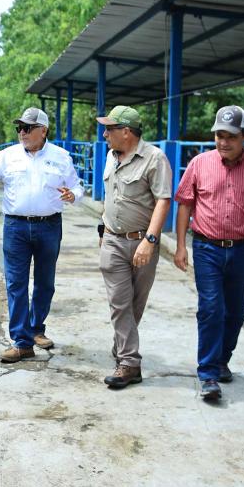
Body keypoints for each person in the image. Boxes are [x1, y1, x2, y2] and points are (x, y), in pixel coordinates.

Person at [0, 107, 84, 363]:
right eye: (19, 127)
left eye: (28, 128)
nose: (22, 132)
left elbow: (77, 185)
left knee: (45, 283)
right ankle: (22, 342)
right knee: (16, 283)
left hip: (49, 226)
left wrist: (73, 195)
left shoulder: (61, 156)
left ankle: (36, 329)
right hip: (16, 228)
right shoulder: (7, 156)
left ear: (43, 130)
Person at [173, 105, 244, 401]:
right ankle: (207, 374)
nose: (224, 141)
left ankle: (221, 361)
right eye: (219, 135)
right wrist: (181, 245)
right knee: (211, 308)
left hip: (243, 250)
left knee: (235, 311)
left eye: (231, 136)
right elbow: (185, 204)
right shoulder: (200, 164)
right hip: (207, 247)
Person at [95, 106, 172, 388]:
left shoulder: (154, 159)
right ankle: (129, 362)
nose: (104, 134)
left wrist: (150, 241)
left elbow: (163, 200)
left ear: (126, 132)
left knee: (134, 304)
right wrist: (103, 229)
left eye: (109, 129)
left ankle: (123, 351)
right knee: (119, 302)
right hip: (113, 241)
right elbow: (110, 197)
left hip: (142, 242)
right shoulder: (109, 157)